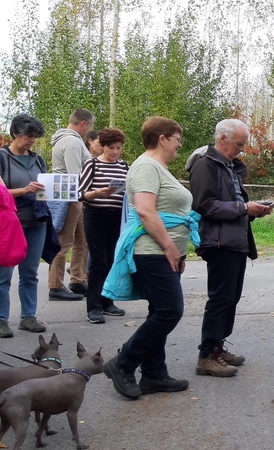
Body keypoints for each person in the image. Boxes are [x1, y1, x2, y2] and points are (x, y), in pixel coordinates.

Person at [102, 116, 194, 400]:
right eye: (177, 138)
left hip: (166, 251)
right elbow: (144, 210)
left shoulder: (159, 167)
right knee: (170, 311)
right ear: (162, 138)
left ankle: (154, 374)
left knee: (159, 311)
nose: (179, 144)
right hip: (152, 251)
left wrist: (179, 249)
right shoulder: (145, 166)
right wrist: (169, 247)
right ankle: (123, 363)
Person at [187, 119, 272, 377]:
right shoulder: (205, 165)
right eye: (239, 144)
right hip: (219, 241)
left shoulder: (229, 167)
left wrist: (253, 210)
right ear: (222, 139)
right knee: (221, 298)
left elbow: (232, 202)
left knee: (231, 297)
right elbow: (205, 205)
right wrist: (245, 208)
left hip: (235, 240)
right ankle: (207, 355)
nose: (242, 150)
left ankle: (217, 347)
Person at [0, 114, 49, 336]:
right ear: (14, 135)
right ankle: (1, 319)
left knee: (30, 272)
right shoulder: (2, 158)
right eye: (28, 136)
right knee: (3, 274)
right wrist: (24, 190)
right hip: (9, 225)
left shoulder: (38, 159)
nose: (32, 140)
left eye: (34, 137)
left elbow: (44, 188)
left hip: (36, 222)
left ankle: (28, 317)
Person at [79, 128, 128, 324]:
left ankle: (108, 301)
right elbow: (81, 193)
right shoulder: (91, 164)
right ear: (102, 146)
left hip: (117, 217)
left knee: (112, 260)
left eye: (118, 148)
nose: (115, 152)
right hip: (96, 216)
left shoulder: (124, 166)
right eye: (111, 148)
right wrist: (98, 193)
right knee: (99, 261)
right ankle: (94, 307)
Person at [48, 108, 94, 301]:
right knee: (64, 242)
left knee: (82, 240)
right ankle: (56, 285)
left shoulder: (64, 140)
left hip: (73, 196)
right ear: (83, 123)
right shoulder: (73, 142)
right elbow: (76, 174)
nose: (89, 130)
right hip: (70, 196)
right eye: (90, 126)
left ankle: (76, 279)